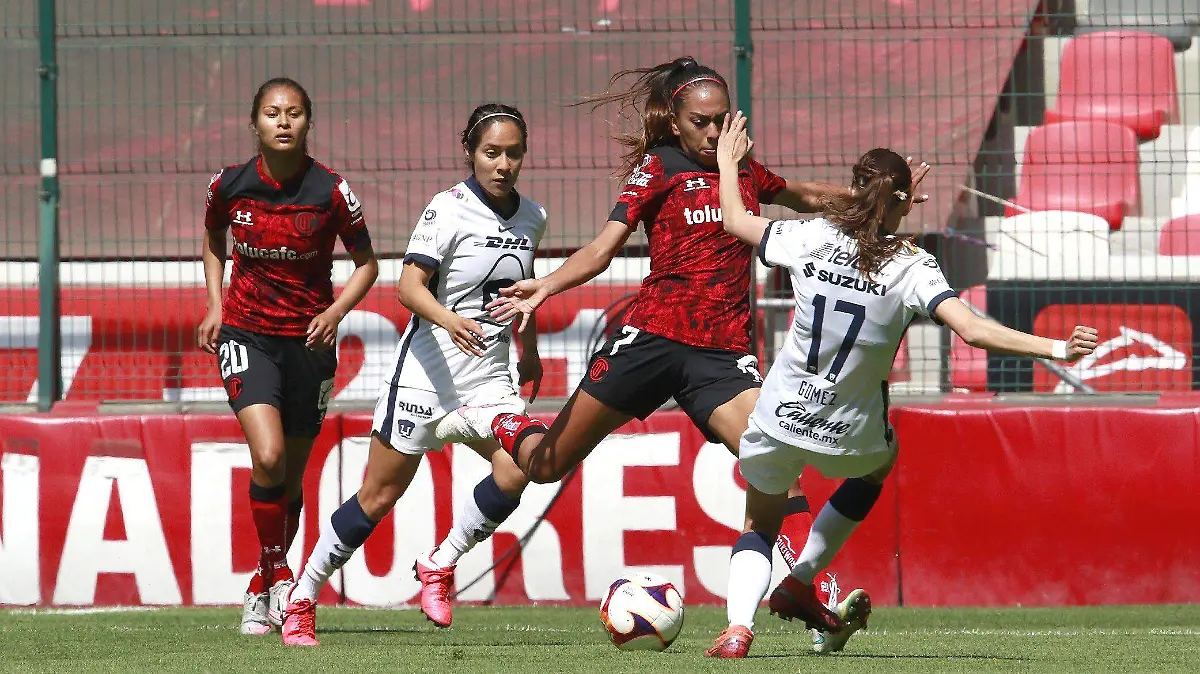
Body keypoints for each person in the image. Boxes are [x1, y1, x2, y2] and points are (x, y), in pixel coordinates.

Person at [480, 57, 886, 651]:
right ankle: (501, 421)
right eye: (701, 122)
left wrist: (866, 200)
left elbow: (800, 195)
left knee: (775, 465)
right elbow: (602, 249)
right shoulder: (658, 167)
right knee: (543, 467)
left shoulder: (740, 169)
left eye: (722, 120)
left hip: (720, 357)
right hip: (651, 340)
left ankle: (812, 589)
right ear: (674, 122)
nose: (714, 132)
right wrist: (546, 286)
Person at [703, 113, 1099, 658]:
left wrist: (728, 163)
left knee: (760, 520)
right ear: (903, 204)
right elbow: (973, 330)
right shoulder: (912, 266)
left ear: (854, 189)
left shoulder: (808, 236)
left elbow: (734, 219)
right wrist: (1057, 348)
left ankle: (737, 630)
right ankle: (802, 579)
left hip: (779, 415)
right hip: (848, 431)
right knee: (879, 463)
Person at [276, 104, 547, 647]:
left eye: (513, 154)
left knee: (524, 465)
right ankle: (302, 596)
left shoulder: (533, 216)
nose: (503, 164)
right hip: (427, 375)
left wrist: (531, 351)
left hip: (489, 379)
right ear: (470, 152)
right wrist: (449, 320)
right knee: (377, 497)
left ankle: (440, 562)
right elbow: (407, 287)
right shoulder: (447, 209)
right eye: (491, 153)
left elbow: (524, 287)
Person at [197, 77, 379, 636]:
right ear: (254, 123)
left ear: (308, 123)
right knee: (269, 456)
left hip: (309, 345)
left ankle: (261, 583)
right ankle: (280, 573)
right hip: (246, 336)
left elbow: (368, 264)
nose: (283, 121)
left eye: (294, 113)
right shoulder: (229, 185)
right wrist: (215, 305)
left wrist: (336, 312)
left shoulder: (331, 191)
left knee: (291, 478)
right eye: (273, 113)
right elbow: (213, 241)